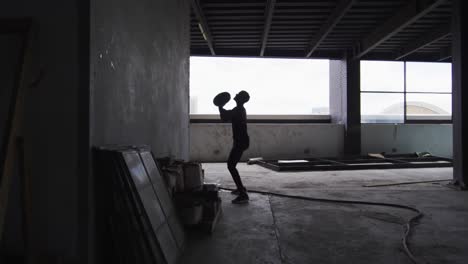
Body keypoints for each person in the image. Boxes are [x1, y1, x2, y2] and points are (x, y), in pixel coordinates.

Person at [218, 91, 250, 204]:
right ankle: (241, 188)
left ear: (240, 99)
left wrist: (220, 106)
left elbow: (224, 117)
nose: (235, 95)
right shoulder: (239, 109)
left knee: (231, 166)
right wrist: (221, 107)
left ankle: (243, 194)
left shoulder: (238, 110)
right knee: (232, 165)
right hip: (241, 141)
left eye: (238, 95)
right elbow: (227, 115)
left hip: (240, 142)